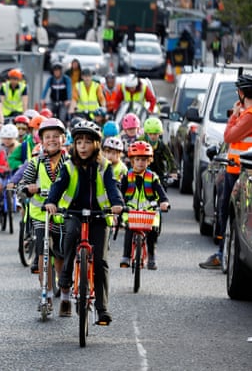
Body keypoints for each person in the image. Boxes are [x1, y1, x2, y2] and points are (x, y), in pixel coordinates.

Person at [43, 121, 123, 324]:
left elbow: (112, 187)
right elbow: (58, 186)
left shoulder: (104, 165)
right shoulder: (69, 165)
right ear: (74, 145)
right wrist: (51, 202)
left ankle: (102, 308)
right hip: (75, 213)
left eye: (88, 142)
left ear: (96, 144)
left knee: (100, 260)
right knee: (70, 236)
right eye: (79, 142)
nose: (83, 146)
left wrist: (117, 204)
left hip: (98, 215)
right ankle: (66, 276)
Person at [200, 73, 252, 269]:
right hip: (235, 168)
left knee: (230, 215)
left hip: (240, 171)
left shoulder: (249, 115)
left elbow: (229, 135)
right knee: (224, 213)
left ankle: (223, 255)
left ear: (241, 93)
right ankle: (222, 253)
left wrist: (233, 116)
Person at [18, 118, 68, 310]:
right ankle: (45, 293)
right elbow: (20, 188)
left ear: (63, 139)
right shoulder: (35, 162)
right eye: (48, 137)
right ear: (42, 141)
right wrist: (28, 189)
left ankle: (64, 290)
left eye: (56, 136)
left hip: (64, 214)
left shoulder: (70, 162)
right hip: (41, 215)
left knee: (61, 254)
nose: (52, 140)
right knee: (43, 252)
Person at [119, 141, 170, 270]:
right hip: (131, 210)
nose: (140, 163)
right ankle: (125, 256)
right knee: (129, 229)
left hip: (149, 210)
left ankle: (152, 256)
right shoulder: (127, 176)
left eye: (144, 160)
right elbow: (120, 192)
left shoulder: (152, 177)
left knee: (152, 231)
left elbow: (160, 192)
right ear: (132, 161)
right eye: (137, 159)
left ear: (149, 161)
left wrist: (164, 202)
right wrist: (118, 204)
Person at [140, 117, 177, 182]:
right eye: (150, 134)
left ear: (159, 133)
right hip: (142, 173)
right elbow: (132, 157)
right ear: (146, 133)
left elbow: (170, 158)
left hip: (159, 175)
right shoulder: (140, 143)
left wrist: (173, 171)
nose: (153, 136)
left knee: (162, 189)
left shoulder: (162, 146)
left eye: (155, 134)